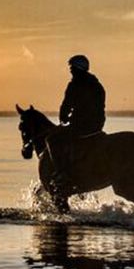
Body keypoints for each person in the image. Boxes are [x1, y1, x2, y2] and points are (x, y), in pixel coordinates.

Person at [48, 54, 106, 186]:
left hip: (82, 125)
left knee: (52, 139)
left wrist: (63, 117)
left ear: (77, 68)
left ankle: (61, 172)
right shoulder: (97, 85)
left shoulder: (75, 85)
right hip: (97, 125)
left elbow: (67, 105)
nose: (70, 71)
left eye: (72, 68)